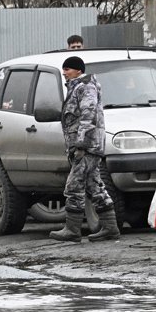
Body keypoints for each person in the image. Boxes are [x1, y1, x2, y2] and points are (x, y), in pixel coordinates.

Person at [49, 55, 119, 242]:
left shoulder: (85, 87)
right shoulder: (77, 87)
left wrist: (81, 143)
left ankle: (72, 229)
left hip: (86, 146)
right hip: (86, 146)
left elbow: (88, 115)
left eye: (68, 69)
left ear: (78, 70)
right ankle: (110, 228)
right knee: (94, 185)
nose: (64, 73)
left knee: (74, 185)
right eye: (64, 69)